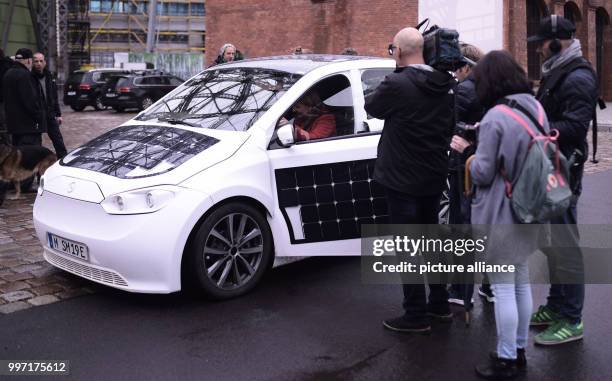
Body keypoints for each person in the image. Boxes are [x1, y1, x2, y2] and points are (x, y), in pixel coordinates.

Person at [364, 27, 455, 332]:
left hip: (401, 178)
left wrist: (395, 70)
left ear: (399, 51)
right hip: (433, 174)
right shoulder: (446, 83)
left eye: (393, 49)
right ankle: (440, 305)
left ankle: (415, 315)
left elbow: (372, 108)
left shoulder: (397, 82)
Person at [464, 50, 544, 380]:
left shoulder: (496, 116)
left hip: (500, 212)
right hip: (529, 208)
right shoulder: (535, 106)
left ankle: (506, 357)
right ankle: (520, 350)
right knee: (521, 282)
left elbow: (482, 173)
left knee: (502, 289)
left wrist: (469, 154)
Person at [527, 15, 598, 346]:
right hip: (551, 167)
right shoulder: (559, 70)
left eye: (541, 43)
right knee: (554, 242)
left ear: (555, 42)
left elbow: (574, 127)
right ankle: (556, 306)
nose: (538, 49)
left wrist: (534, 127)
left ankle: (572, 318)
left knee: (566, 244)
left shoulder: (578, 77)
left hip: (564, 170)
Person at [446, 43, 495, 307]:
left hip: (463, 166)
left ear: (466, 66)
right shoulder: (493, 86)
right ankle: (489, 286)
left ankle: (460, 292)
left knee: (462, 229)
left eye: (457, 67)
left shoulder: (463, 91)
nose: (454, 73)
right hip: (487, 164)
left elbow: (451, 128)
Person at [2, 48, 46, 147]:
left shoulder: (8, 74)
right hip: (28, 127)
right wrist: (40, 116)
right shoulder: (25, 75)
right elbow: (30, 100)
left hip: (14, 126)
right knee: (31, 157)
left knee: (19, 157)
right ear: (29, 60)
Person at [32, 52, 67, 158]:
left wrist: (58, 114)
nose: (39, 63)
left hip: (50, 113)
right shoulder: (29, 77)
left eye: (41, 61)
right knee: (36, 142)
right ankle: (37, 164)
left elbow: (54, 96)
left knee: (58, 140)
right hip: (37, 115)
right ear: (32, 62)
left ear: (45, 62)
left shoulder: (49, 76)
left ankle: (63, 160)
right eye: (36, 61)